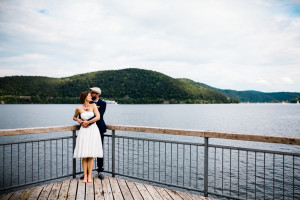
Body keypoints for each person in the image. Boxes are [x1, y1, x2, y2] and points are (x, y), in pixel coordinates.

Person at [73, 91, 103, 183]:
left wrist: (87, 122)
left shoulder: (93, 106)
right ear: (85, 97)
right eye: (89, 96)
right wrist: (79, 120)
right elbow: (74, 117)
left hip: (93, 130)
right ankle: (85, 176)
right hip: (84, 131)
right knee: (84, 155)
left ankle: (90, 176)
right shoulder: (78, 108)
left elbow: (98, 117)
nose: (91, 97)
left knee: (91, 154)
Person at [89, 87, 107, 179]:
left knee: (99, 148)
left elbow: (100, 115)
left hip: (99, 128)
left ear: (97, 94)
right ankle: (88, 171)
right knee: (88, 149)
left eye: (92, 93)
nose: (91, 94)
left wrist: (87, 121)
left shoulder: (103, 103)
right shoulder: (88, 102)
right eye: (91, 92)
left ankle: (100, 170)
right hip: (89, 129)